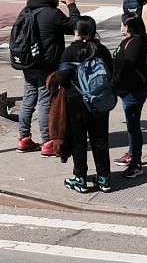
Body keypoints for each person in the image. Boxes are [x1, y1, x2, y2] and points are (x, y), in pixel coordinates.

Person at [15, 0, 78, 154]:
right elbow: (75, 26)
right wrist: (72, 6)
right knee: (44, 102)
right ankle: (47, 141)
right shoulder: (52, 14)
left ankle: (23, 138)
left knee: (28, 99)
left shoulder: (27, 10)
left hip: (28, 63)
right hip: (46, 65)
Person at [57, 15, 116, 193]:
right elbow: (111, 72)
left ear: (77, 31)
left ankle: (80, 178)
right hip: (99, 100)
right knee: (100, 139)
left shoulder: (70, 52)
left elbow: (62, 78)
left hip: (76, 101)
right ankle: (104, 178)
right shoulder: (101, 50)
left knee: (79, 140)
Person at [113, 10, 147, 176]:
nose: (121, 27)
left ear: (129, 27)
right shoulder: (132, 41)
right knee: (132, 125)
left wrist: (117, 83)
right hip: (129, 91)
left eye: (123, 24)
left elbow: (128, 68)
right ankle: (132, 154)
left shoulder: (135, 44)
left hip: (133, 91)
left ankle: (136, 162)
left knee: (133, 127)